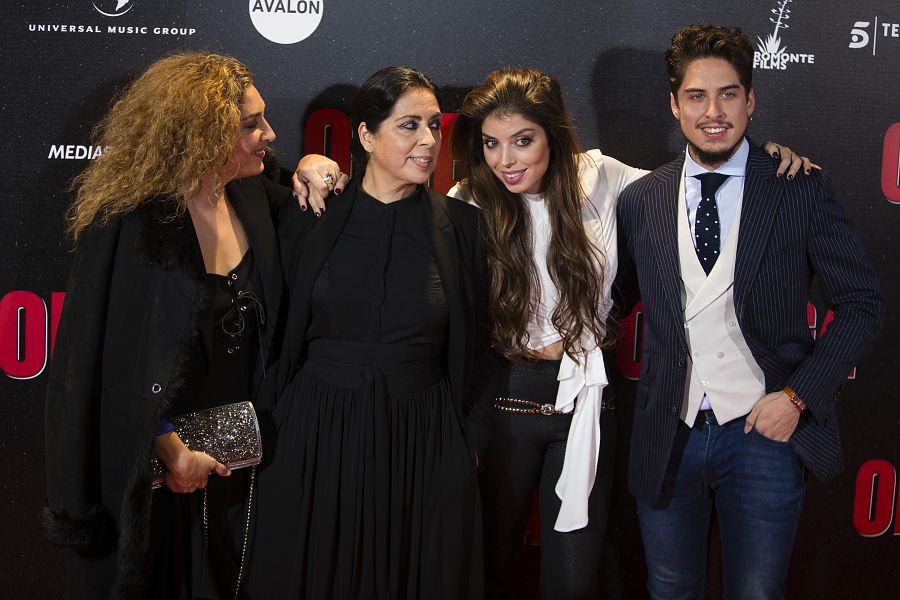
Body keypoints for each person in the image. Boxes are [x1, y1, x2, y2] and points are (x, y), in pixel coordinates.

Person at [296, 67, 809, 599]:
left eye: (523, 140)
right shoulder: (467, 200)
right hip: (501, 403)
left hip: (587, 403)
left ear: (553, 134)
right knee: (487, 572)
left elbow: (698, 182)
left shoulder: (606, 178)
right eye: (491, 144)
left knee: (573, 581)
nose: (506, 160)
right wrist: (315, 167)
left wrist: (761, 158)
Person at [616, 25, 884, 599]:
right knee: (669, 589)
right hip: (668, 434)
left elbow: (862, 304)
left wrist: (798, 397)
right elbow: (609, 299)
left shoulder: (797, 186)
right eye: (696, 96)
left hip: (764, 435)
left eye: (728, 94)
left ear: (751, 100)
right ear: (674, 104)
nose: (713, 112)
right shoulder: (641, 198)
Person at [43, 52, 295, 599]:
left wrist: (319, 166)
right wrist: (169, 448)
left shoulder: (256, 197)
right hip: (158, 482)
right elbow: (93, 361)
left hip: (244, 473)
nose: (269, 135)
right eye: (250, 124)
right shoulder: (127, 225)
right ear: (202, 135)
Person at [248, 66, 493, 599]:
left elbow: (483, 348)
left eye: (434, 124)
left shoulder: (464, 226)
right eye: (409, 125)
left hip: (424, 438)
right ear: (365, 135)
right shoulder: (311, 212)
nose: (428, 140)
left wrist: (466, 446)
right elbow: (273, 325)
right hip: (315, 432)